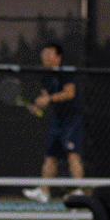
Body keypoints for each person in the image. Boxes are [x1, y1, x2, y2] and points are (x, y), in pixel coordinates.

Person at [22, 42, 84, 202]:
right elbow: (45, 100)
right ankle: (44, 192)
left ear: (58, 57)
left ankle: (78, 191)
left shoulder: (66, 72)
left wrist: (48, 98)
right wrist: (37, 107)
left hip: (72, 119)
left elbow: (69, 93)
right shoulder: (45, 76)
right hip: (57, 120)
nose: (45, 57)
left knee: (72, 154)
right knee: (50, 156)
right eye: (44, 53)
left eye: (49, 54)